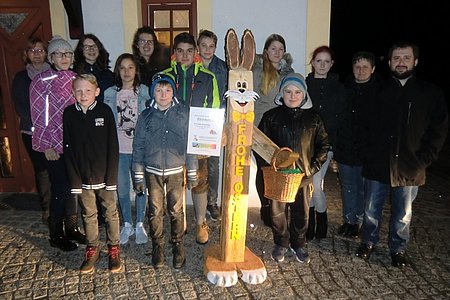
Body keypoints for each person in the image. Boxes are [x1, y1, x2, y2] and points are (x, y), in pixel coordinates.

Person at [355, 41, 448, 268]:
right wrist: (367, 154)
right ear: (389, 62)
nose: (401, 62)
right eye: (396, 58)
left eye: (406, 58)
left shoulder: (430, 93)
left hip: (410, 166)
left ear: (415, 61)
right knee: (370, 210)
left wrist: (424, 160)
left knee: (403, 214)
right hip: (377, 165)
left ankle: (398, 248)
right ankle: (368, 241)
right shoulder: (376, 91)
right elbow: (362, 125)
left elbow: (439, 130)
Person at [258, 73, 329, 264]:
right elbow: (260, 146)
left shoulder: (313, 118)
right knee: (277, 212)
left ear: (304, 95)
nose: (292, 96)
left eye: (297, 92)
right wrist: (270, 169)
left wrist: (312, 168)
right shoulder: (270, 117)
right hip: (278, 178)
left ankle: (299, 244)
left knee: (302, 212)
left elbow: (323, 145)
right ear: (281, 94)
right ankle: (281, 242)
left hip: (303, 176)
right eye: (288, 91)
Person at [132, 74, 198, 269]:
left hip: (176, 171)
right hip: (152, 173)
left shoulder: (183, 113)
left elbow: (190, 144)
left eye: (167, 90)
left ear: (173, 92)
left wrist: (192, 170)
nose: (163, 94)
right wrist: (138, 174)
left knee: (177, 210)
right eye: (158, 90)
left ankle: (178, 245)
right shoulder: (145, 116)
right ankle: (157, 246)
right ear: (153, 92)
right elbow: (138, 146)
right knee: (155, 211)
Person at [162, 32, 220, 244]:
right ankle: (180, 222)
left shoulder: (208, 77)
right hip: (173, 141)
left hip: (198, 140)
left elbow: (213, 109)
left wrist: (209, 135)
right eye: (180, 51)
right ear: (174, 53)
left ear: (195, 53)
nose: (184, 55)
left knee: (199, 182)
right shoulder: (165, 76)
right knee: (176, 183)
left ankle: (201, 222)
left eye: (189, 51)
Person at [30, 36, 86, 251]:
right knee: (59, 189)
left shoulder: (75, 78)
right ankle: (56, 234)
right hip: (54, 146)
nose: (64, 57)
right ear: (51, 57)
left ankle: (71, 228)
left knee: (73, 189)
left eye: (68, 53)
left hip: (74, 145)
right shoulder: (41, 81)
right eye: (59, 54)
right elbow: (39, 117)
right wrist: (47, 146)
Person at [63, 74, 121, 274]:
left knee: (111, 213)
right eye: (78, 90)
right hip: (82, 177)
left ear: (97, 92)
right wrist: (74, 181)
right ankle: (92, 247)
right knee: (88, 214)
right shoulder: (69, 114)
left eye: (88, 90)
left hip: (105, 177)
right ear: (73, 93)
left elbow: (113, 146)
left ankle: (113, 248)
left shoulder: (104, 111)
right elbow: (68, 148)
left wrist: (111, 178)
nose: (83, 94)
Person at [104, 53, 149, 245]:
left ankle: (140, 224)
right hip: (119, 151)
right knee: (122, 189)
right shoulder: (110, 93)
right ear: (117, 71)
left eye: (130, 67)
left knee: (140, 188)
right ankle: (127, 224)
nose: (126, 72)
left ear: (136, 70)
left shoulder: (145, 92)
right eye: (122, 68)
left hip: (139, 151)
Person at [334, 51, 380, 238]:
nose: (361, 71)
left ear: (373, 69)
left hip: (366, 151)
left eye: (365, 67)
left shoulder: (379, 91)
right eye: (357, 67)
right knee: (347, 186)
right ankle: (349, 220)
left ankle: (360, 221)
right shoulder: (343, 89)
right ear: (352, 69)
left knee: (363, 188)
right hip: (345, 148)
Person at [252, 33, 294, 227]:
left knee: (281, 171)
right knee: (264, 172)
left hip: (283, 129)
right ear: (266, 51)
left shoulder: (289, 73)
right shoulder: (257, 72)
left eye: (280, 49)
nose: (277, 52)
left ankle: (279, 207)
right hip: (261, 130)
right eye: (273, 49)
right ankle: (266, 207)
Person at [305, 45, 346, 240]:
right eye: (318, 61)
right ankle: (310, 224)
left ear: (331, 64)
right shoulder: (304, 85)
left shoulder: (339, 89)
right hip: (306, 145)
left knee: (316, 184)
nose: (322, 65)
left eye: (326, 61)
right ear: (312, 63)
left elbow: (340, 119)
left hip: (325, 145)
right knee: (308, 185)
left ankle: (320, 221)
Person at [12, 37, 51, 224]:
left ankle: (61, 205)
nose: (37, 54)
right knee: (42, 169)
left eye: (41, 50)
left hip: (54, 132)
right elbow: (22, 107)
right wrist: (42, 124)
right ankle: (47, 208)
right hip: (32, 132)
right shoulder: (21, 78)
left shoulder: (54, 74)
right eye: (33, 51)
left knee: (56, 169)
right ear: (27, 54)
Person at [196, 29, 228, 221]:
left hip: (215, 121)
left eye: (211, 46)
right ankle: (197, 201)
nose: (207, 50)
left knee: (214, 165)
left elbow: (226, 94)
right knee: (198, 164)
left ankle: (212, 202)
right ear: (198, 46)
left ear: (215, 48)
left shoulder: (223, 68)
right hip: (197, 122)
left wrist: (222, 122)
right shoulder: (192, 65)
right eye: (203, 45)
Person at [73, 34, 114, 102]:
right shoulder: (75, 74)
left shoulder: (109, 75)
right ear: (81, 50)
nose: (91, 49)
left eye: (94, 46)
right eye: (86, 47)